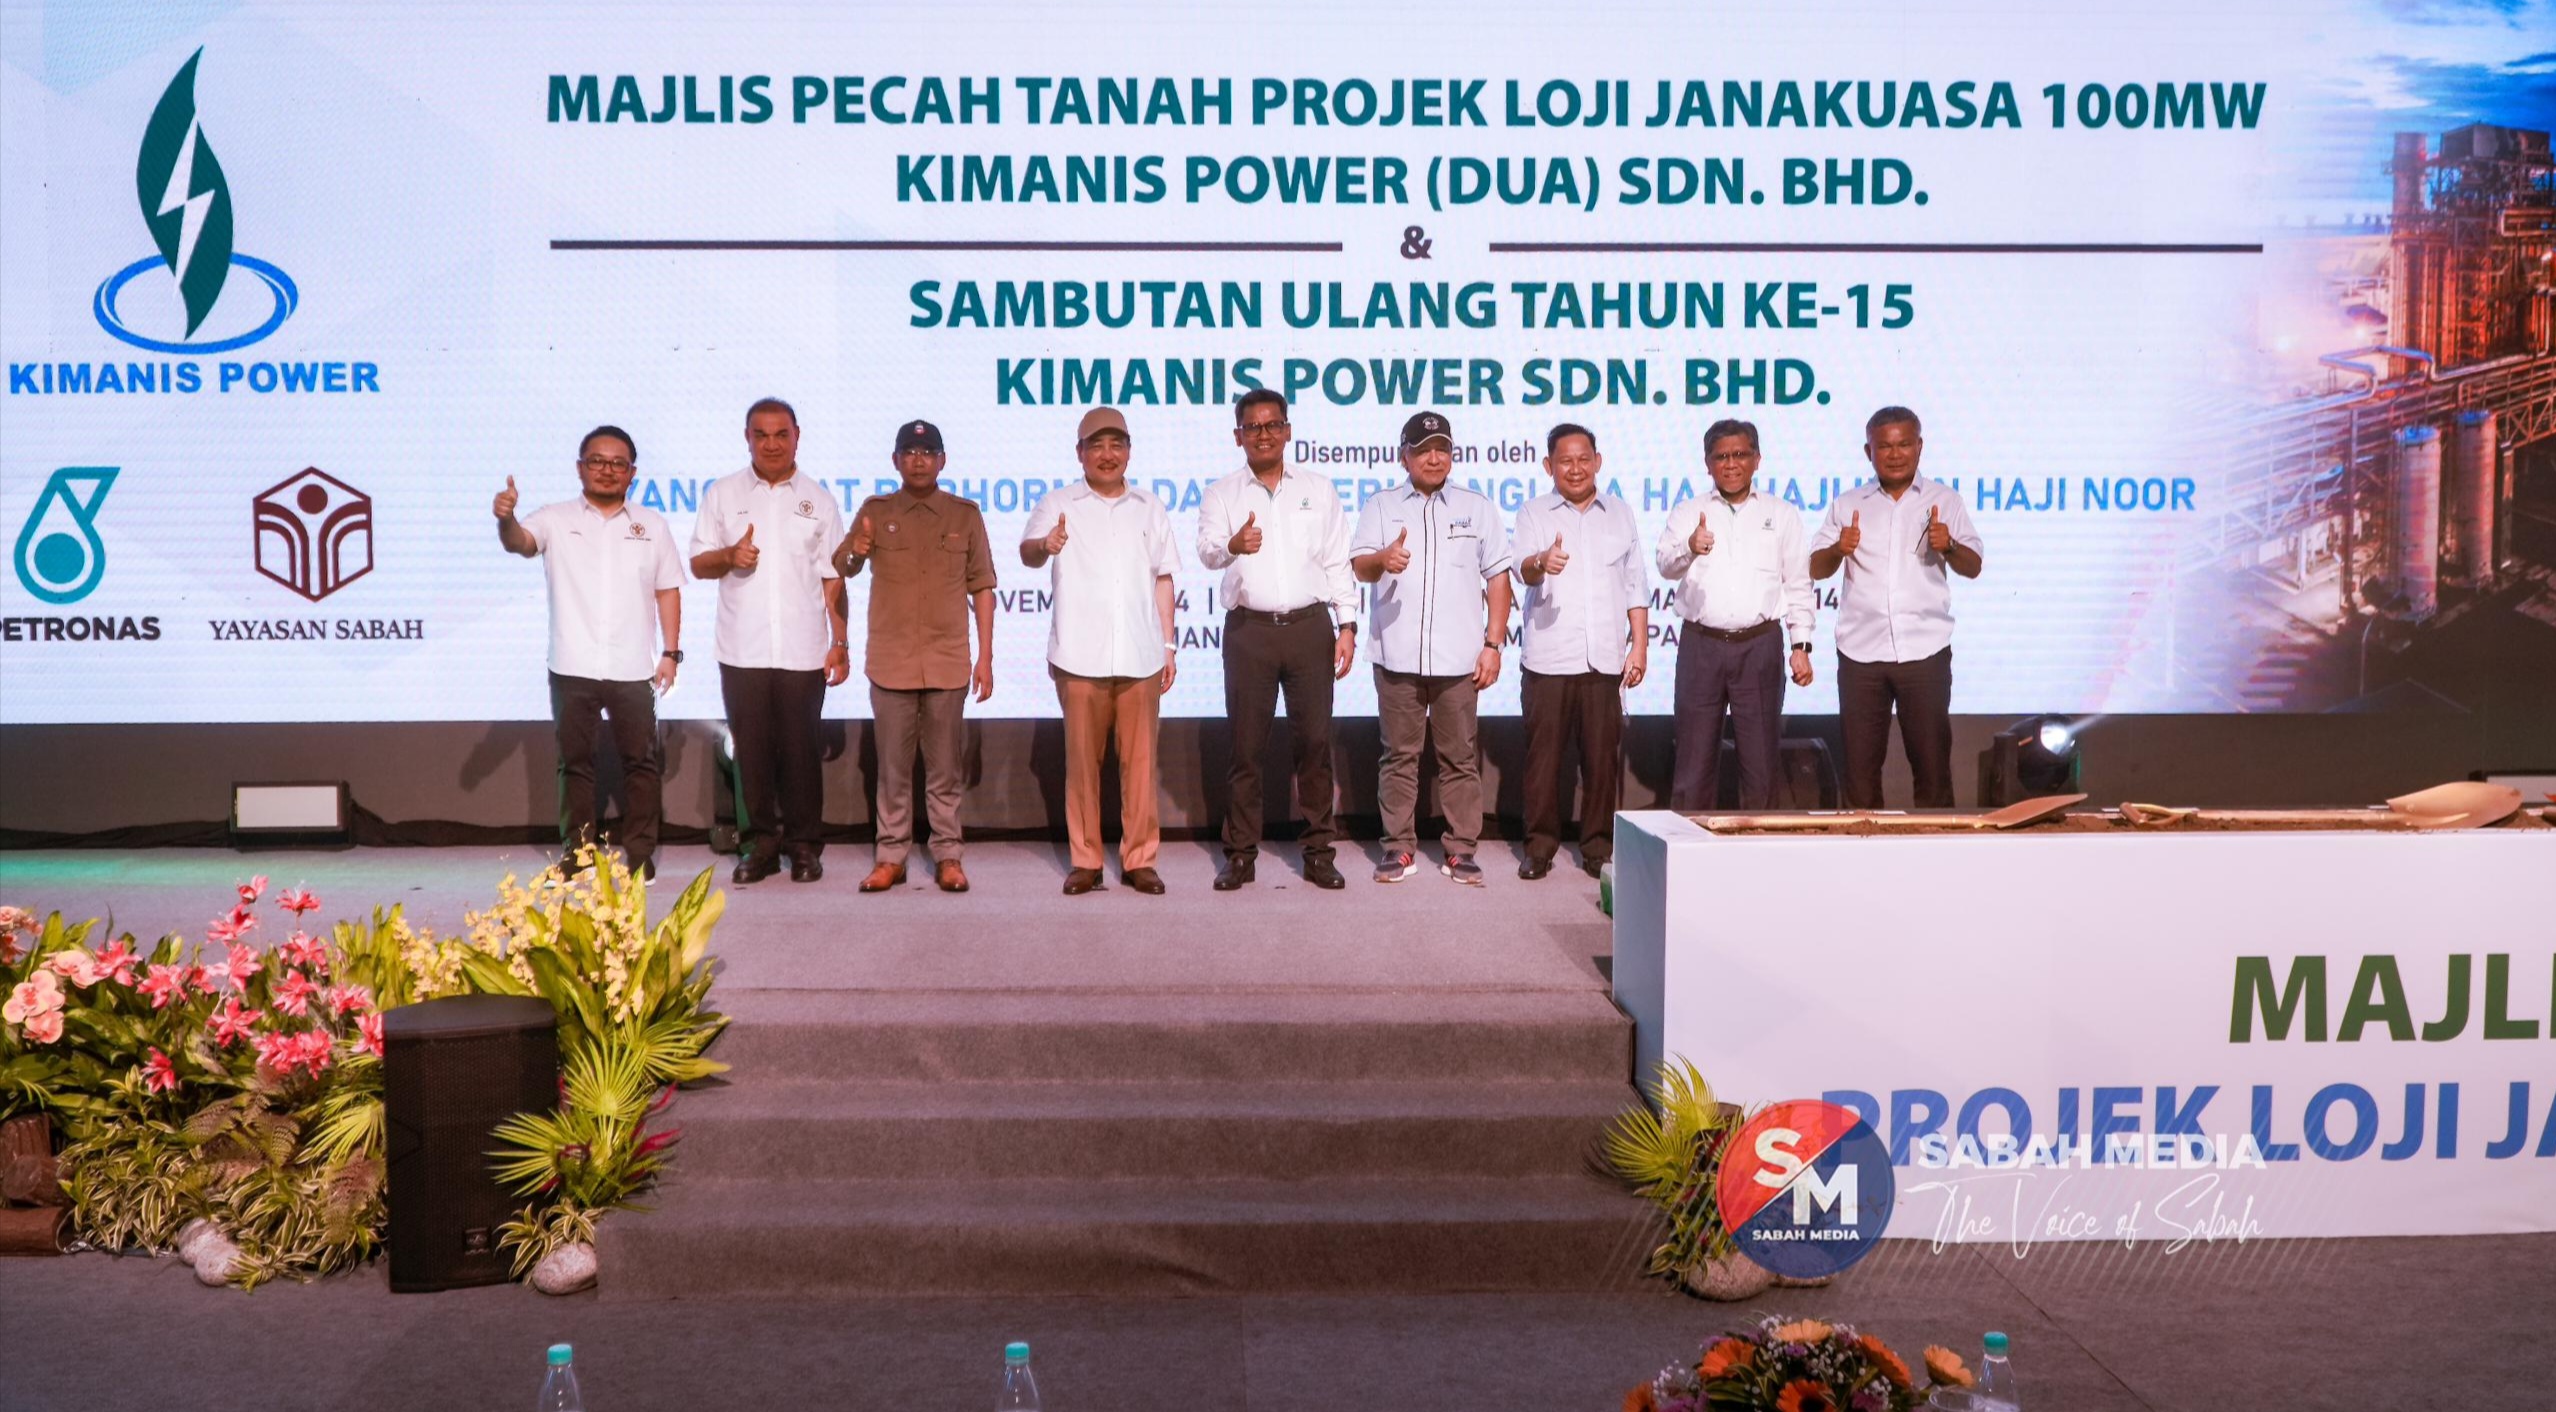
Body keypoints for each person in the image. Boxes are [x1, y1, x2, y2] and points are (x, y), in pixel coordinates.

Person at [493, 425, 683, 878]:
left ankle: (640, 856)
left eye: (618, 463)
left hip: (633, 666)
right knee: (575, 766)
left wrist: (671, 653)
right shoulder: (554, 518)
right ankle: (578, 856)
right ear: (580, 467)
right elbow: (519, 543)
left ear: (632, 473)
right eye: (597, 461)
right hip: (572, 664)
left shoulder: (652, 525)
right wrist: (505, 518)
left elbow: (668, 590)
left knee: (641, 765)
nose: (607, 470)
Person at [1194, 390, 1358, 892]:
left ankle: (1319, 853)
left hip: (1310, 629)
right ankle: (1241, 855)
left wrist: (1347, 625)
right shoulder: (1222, 493)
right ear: (1238, 436)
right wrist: (1232, 545)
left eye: (1272, 425)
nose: (1263, 434)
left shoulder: (1318, 489)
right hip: (1250, 633)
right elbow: (1206, 552)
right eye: (1253, 427)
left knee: (1314, 745)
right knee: (1246, 750)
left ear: (1287, 431)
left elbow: (1337, 561)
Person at [689, 397, 849, 884]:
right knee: (751, 755)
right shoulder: (723, 493)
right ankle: (757, 846)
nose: (772, 444)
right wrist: (729, 556)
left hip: (804, 648)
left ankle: (804, 847)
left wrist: (841, 642)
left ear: (797, 436)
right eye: (762, 435)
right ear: (748, 438)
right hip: (743, 648)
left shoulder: (819, 500)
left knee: (801, 754)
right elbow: (698, 563)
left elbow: (834, 577)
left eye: (782, 434)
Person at [1022, 407, 1181, 897]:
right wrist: (1046, 544)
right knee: (1081, 766)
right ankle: (1086, 861)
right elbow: (1028, 552)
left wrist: (1169, 645)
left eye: (1116, 445)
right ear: (1080, 453)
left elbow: (1163, 579)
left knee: (1140, 766)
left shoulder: (1149, 507)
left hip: (1141, 654)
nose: (1107, 455)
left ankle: (1140, 860)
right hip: (1079, 656)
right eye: (1096, 445)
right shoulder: (1058, 503)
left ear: (1129, 450)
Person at [1350, 411, 1513, 886]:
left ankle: (1461, 850)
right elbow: (1360, 567)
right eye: (1423, 450)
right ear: (1404, 457)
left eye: (1442, 448)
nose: (1434, 458)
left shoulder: (1477, 507)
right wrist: (1383, 559)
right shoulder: (1381, 505)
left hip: (1459, 660)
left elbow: (1498, 578)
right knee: (1398, 757)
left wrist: (1493, 644)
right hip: (1396, 655)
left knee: (1460, 760)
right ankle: (1398, 848)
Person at [834, 419, 996, 895]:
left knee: (945, 770)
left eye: (927, 453)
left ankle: (948, 855)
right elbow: (842, 566)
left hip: (947, 660)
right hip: (892, 662)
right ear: (896, 461)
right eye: (909, 453)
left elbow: (983, 586)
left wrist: (985, 657)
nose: (919, 461)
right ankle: (891, 857)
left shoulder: (964, 515)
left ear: (942, 460)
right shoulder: (875, 511)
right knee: (892, 771)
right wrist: (856, 550)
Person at [1810, 406, 1984, 809]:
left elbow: (1973, 566)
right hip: (1861, 654)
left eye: (1904, 444)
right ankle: (1864, 846)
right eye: (1884, 446)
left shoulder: (1945, 500)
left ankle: (1936, 847)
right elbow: (1815, 568)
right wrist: (1838, 549)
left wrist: (1949, 545)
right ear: (1868, 451)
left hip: (1924, 650)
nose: (1894, 454)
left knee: (1932, 769)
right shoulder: (1848, 503)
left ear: (1919, 446)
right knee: (1860, 774)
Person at [1656, 419, 1816, 812]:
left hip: (1759, 646)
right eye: (1721, 456)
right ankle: (1689, 843)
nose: (1731, 463)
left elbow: (1798, 582)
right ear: (1707, 463)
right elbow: (1665, 566)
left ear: (1757, 459)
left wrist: (1801, 645)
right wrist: (1690, 546)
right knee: (1693, 762)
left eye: (1740, 454)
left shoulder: (1781, 513)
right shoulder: (1689, 511)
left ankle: (1758, 846)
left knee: (1760, 764)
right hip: (1702, 646)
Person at [1511, 423, 1647, 879]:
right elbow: (1523, 569)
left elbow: (1635, 585)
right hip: (1548, 659)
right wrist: (1541, 561)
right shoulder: (1533, 512)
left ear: (1598, 461)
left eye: (1583, 459)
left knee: (1601, 763)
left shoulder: (1621, 513)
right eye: (1565, 461)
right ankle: (1539, 848)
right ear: (1548, 466)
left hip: (1604, 659)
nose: (1575, 468)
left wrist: (1640, 646)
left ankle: (1597, 849)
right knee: (1544, 763)